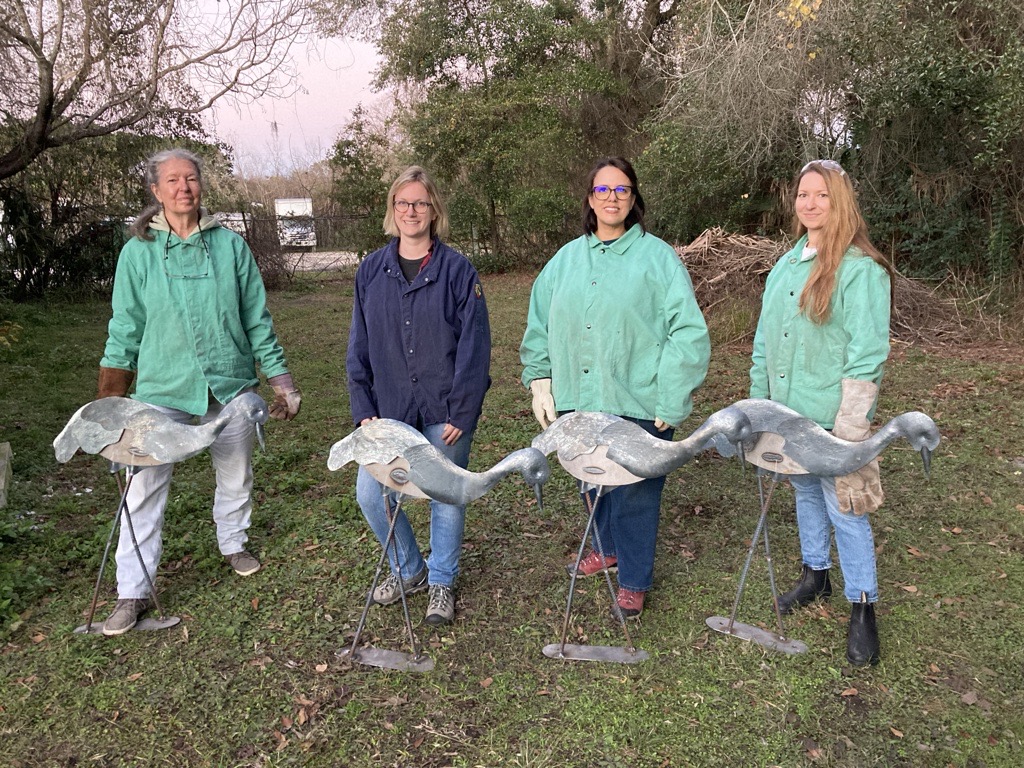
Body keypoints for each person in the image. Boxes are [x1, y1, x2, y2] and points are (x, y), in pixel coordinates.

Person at [97, 148, 301, 636]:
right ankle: (132, 591)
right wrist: (109, 405)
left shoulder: (230, 246)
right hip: (161, 391)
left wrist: (281, 381)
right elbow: (125, 328)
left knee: (236, 470)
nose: (183, 187)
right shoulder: (138, 252)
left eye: (190, 179)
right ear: (156, 191)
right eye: (172, 180)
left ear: (201, 186)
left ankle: (233, 541)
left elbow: (256, 318)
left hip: (230, 385)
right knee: (142, 487)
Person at [520, 156, 711, 621]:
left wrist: (671, 394)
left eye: (621, 190)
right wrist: (541, 380)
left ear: (633, 199)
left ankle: (634, 579)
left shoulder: (657, 258)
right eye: (603, 190)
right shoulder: (565, 260)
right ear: (590, 198)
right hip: (579, 401)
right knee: (591, 480)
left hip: (639, 399)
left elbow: (688, 331)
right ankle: (606, 550)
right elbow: (539, 324)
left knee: (635, 491)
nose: (611, 198)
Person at [749, 159, 893, 666]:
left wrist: (850, 426)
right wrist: (758, 407)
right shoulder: (785, 268)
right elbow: (764, 342)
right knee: (805, 491)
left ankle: (862, 605)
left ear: (841, 201)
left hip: (834, 420)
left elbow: (867, 353)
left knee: (845, 507)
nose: (810, 203)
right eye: (803, 194)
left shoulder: (860, 270)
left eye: (822, 195)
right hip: (787, 414)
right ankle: (816, 574)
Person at [346, 165, 491, 627]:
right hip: (389, 413)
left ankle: (442, 581)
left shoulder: (457, 270)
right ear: (393, 210)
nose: (411, 211)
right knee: (372, 494)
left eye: (420, 203)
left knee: (446, 493)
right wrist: (364, 410)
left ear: (434, 211)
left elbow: (475, 346)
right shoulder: (371, 271)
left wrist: (464, 410)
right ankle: (410, 569)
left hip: (444, 408)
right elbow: (359, 345)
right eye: (403, 203)